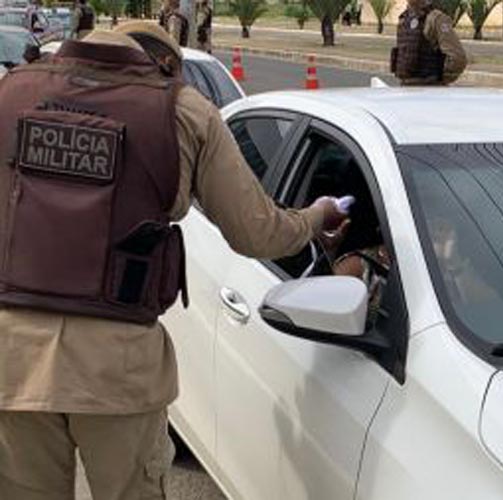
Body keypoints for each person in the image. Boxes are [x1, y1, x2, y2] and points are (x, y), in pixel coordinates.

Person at [0, 22, 347, 499]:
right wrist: (315, 216)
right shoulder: (184, 111)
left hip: (12, 361)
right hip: (116, 369)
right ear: (164, 64)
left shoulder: (11, 92)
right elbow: (258, 233)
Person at [390, 0, 467, 86]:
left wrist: (439, 80)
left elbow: (457, 58)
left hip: (430, 92)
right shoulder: (404, 18)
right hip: (406, 89)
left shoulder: (436, 19)